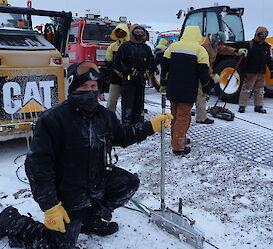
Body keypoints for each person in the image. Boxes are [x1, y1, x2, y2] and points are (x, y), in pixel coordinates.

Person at [0, 61, 173, 249]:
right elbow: (37, 166)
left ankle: (91, 219)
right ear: (73, 87)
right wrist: (50, 206)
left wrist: (150, 126)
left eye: (93, 86)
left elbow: (122, 136)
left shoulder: (105, 116)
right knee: (56, 245)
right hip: (67, 194)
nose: (90, 91)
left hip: (95, 182)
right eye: (84, 86)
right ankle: (10, 221)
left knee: (128, 182)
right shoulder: (53, 119)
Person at [160, 26, 210, 155]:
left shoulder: (173, 47)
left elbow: (164, 67)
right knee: (183, 117)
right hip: (188, 90)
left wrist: (163, 83)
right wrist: (206, 88)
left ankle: (177, 138)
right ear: (198, 36)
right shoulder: (200, 50)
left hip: (173, 88)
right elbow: (204, 73)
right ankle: (178, 146)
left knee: (175, 116)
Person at [196, 32, 248, 124]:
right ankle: (201, 118)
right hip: (199, 71)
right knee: (201, 94)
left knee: (201, 94)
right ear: (215, 40)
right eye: (219, 45)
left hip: (205, 70)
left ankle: (195, 111)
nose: (220, 47)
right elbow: (204, 64)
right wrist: (212, 75)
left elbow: (224, 49)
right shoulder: (205, 47)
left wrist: (236, 51)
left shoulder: (214, 44)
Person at [114, 24, 155, 124]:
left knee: (139, 103)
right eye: (137, 33)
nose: (139, 35)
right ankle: (127, 124)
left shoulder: (146, 48)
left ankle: (138, 124)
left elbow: (151, 61)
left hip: (141, 80)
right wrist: (128, 71)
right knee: (128, 103)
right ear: (132, 34)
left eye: (141, 33)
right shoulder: (125, 47)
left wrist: (148, 70)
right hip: (128, 79)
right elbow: (118, 62)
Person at [238, 26, 273, 113]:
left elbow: (269, 59)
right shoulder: (249, 45)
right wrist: (242, 72)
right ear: (257, 34)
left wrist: (271, 69)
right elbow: (243, 60)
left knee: (260, 90)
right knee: (246, 89)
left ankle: (258, 106)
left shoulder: (266, 46)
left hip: (261, 72)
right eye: (262, 35)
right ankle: (242, 106)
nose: (263, 37)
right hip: (250, 72)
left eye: (265, 35)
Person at [106, 23, 130, 112]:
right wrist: (116, 71)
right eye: (118, 32)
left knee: (127, 102)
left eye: (122, 32)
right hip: (115, 79)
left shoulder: (130, 46)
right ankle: (109, 120)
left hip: (128, 79)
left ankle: (126, 120)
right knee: (111, 101)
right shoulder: (112, 47)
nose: (120, 33)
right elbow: (108, 61)